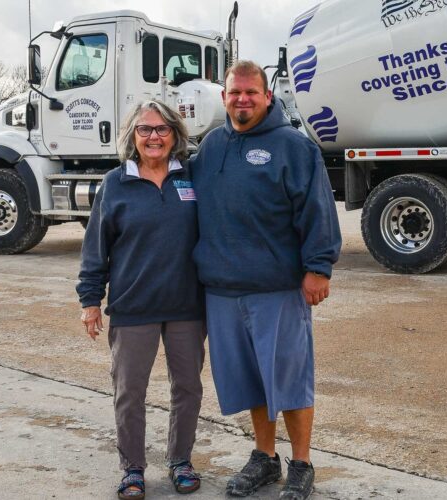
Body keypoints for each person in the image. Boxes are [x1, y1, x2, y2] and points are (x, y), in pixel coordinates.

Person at [191, 60, 342, 499]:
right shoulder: (210, 148)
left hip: (277, 288)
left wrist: (318, 267)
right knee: (252, 379)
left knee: (289, 379)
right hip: (222, 291)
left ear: (267, 96)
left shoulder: (294, 148)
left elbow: (317, 211)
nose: (242, 99)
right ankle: (264, 457)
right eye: (234, 92)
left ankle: (301, 463)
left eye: (250, 93)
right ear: (223, 97)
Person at [77, 100, 205, 499]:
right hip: (133, 307)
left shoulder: (192, 179)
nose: (154, 137)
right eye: (145, 130)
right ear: (132, 136)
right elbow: (95, 247)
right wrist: (90, 299)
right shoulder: (116, 182)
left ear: (176, 135)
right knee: (129, 391)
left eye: (163, 129)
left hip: (187, 305)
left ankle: (180, 460)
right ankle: (132, 468)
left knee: (188, 388)